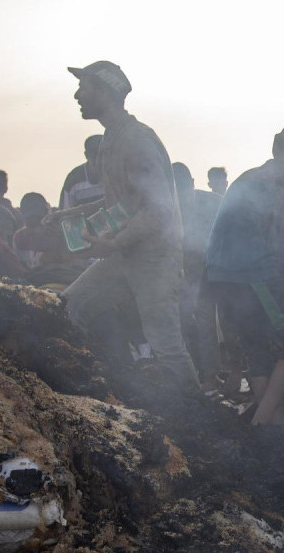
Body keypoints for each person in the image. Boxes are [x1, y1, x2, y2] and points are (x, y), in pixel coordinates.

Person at [57, 60, 197, 387]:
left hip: (154, 258)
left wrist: (114, 243)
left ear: (105, 91)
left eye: (84, 87)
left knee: (166, 345)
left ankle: (201, 418)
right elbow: (122, 202)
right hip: (125, 254)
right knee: (68, 308)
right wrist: (70, 214)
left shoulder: (136, 140)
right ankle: (104, 384)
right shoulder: (111, 139)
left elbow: (158, 209)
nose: (77, 95)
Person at [204, 127, 284, 426]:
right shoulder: (280, 184)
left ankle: (275, 426)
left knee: (256, 346)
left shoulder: (250, 177)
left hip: (221, 276)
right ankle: (261, 424)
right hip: (252, 275)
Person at [173, 162, 223, 386]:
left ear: (193, 183)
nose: (183, 197)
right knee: (183, 320)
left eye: (186, 189)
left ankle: (210, 374)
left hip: (211, 269)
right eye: (177, 191)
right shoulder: (168, 209)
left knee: (206, 320)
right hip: (181, 271)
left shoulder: (214, 202)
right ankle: (193, 374)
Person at [60, 135, 105, 209]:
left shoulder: (119, 174)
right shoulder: (73, 180)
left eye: (102, 155)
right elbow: (66, 214)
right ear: (86, 155)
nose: (98, 160)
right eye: (95, 155)